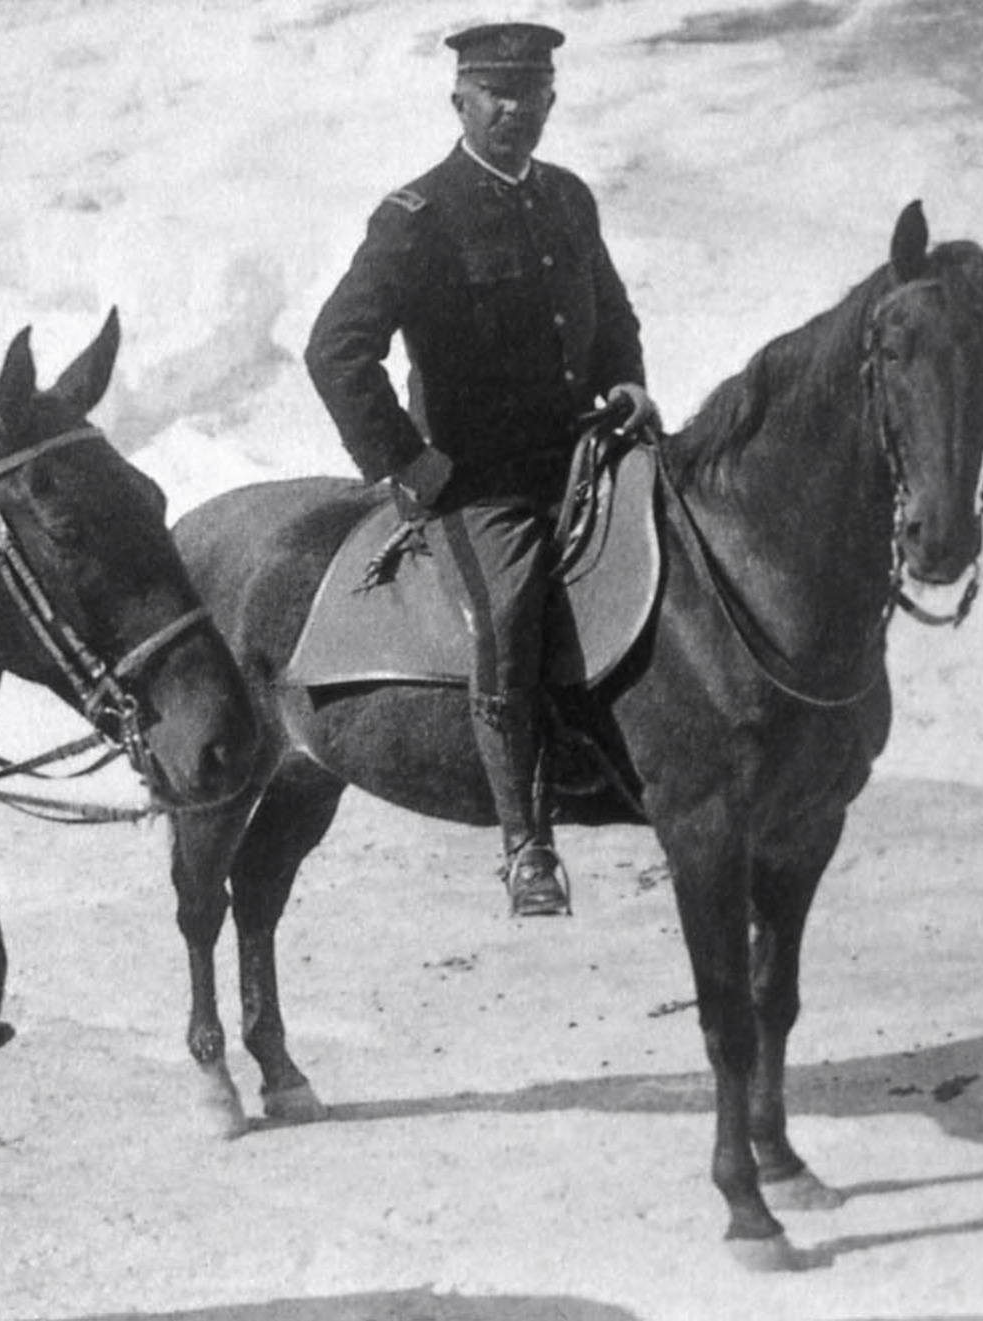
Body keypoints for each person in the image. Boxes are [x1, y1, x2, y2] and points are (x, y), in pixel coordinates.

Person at [304, 23, 659, 918]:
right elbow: (336, 349)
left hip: (586, 452)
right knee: (507, 612)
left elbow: (613, 315)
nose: (515, 109)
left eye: (531, 91)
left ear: (552, 98)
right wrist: (404, 464)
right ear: (458, 100)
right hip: (481, 482)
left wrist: (625, 382)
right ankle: (526, 844)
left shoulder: (570, 199)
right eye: (495, 92)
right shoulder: (416, 218)